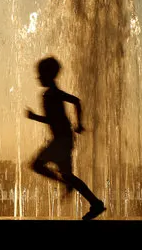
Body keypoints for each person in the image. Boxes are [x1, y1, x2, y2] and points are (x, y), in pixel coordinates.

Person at [26, 56, 106, 220]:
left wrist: (79, 124)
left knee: (36, 165)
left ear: (50, 75)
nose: (38, 78)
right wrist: (77, 124)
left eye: (41, 74)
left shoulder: (52, 93)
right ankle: (95, 203)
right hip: (63, 139)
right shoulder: (49, 93)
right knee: (68, 175)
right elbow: (57, 115)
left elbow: (76, 101)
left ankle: (68, 185)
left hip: (62, 140)